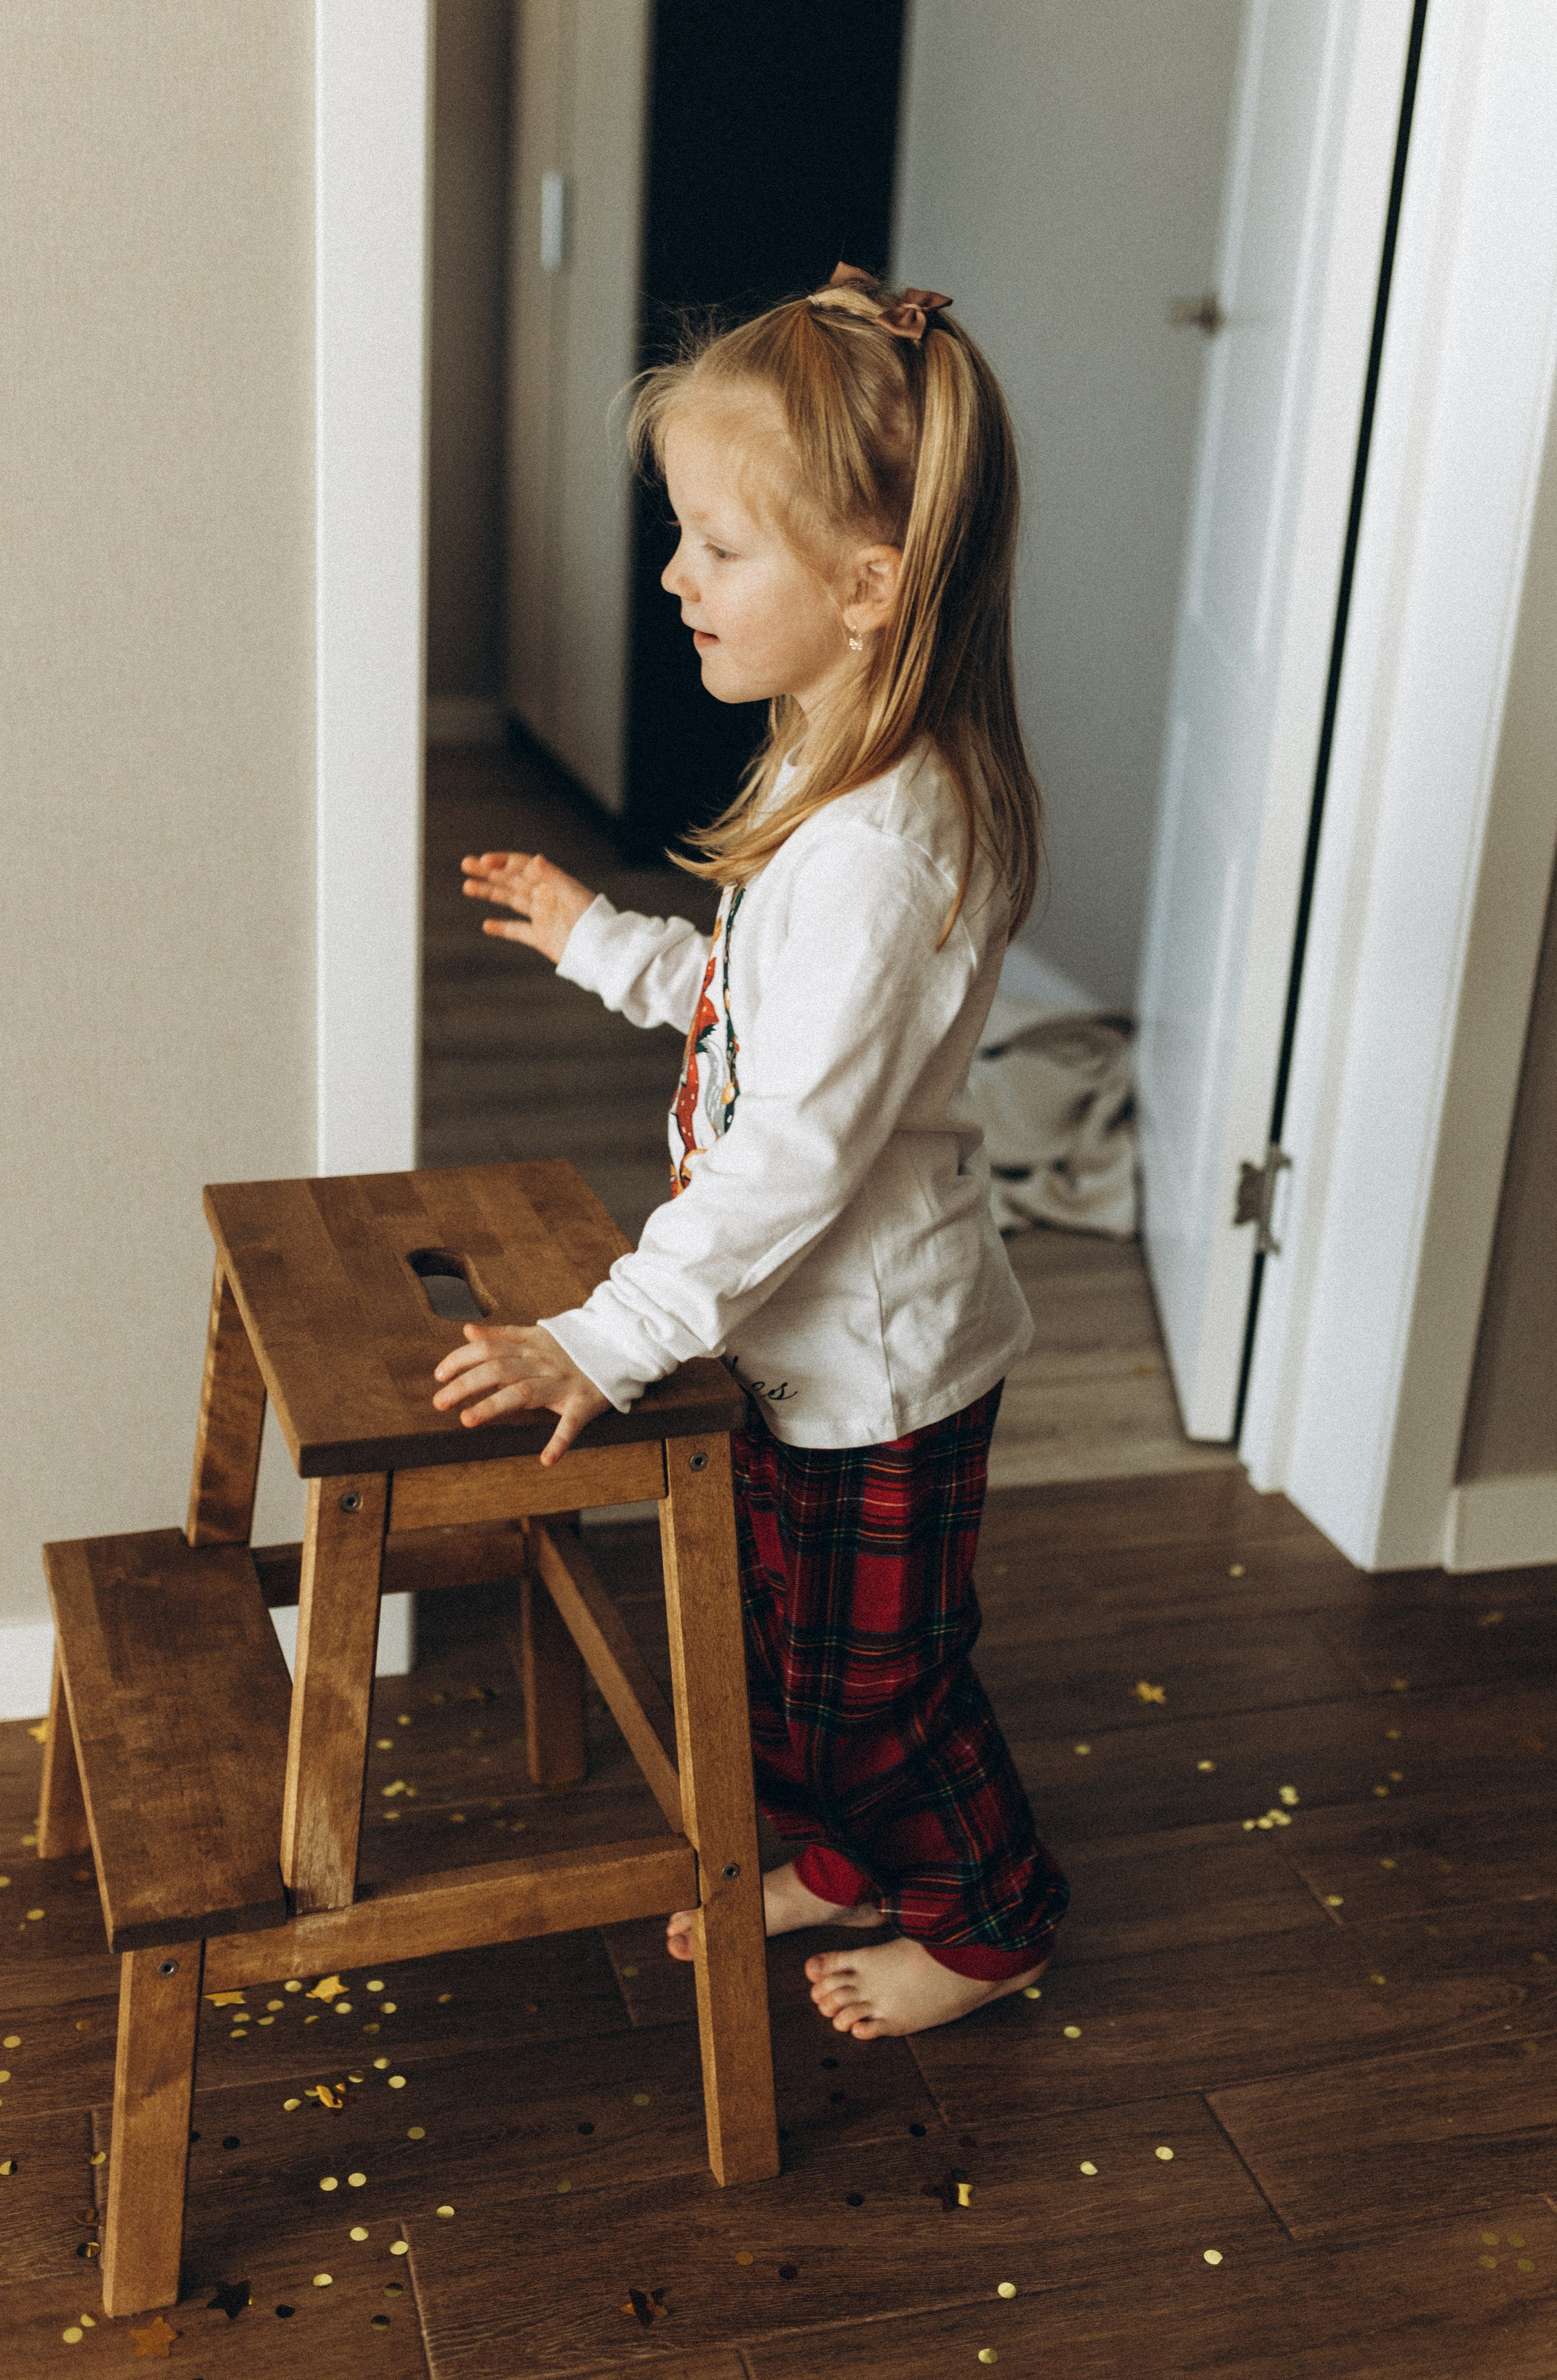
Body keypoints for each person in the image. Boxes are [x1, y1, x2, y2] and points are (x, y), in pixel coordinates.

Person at [432, 264, 1068, 2040]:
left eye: (715, 546)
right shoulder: (833, 770)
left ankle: (992, 1918)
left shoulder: (880, 847)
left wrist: (603, 1337)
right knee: (787, 1659)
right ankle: (851, 1859)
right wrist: (604, 944)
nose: (672, 578)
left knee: (878, 1692)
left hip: (876, 1371)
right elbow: (758, 1011)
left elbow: (793, 1148)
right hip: (790, 1351)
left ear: (867, 589)